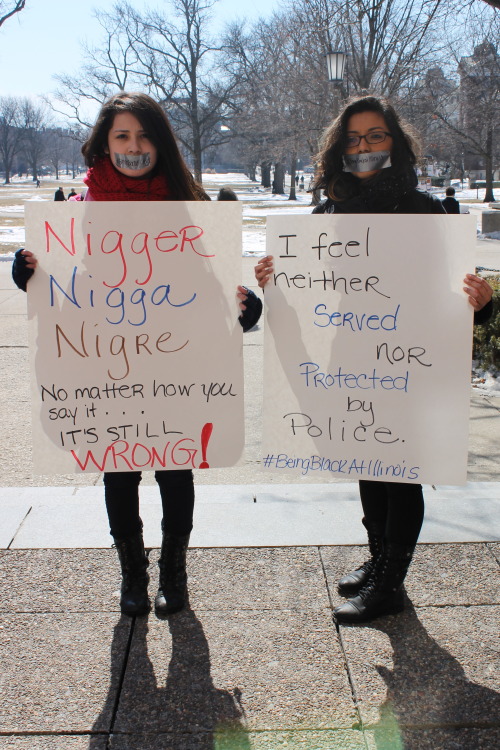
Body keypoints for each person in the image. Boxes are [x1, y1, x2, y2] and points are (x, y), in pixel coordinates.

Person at [12, 92, 261, 620]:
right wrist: (28, 273)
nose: (133, 147)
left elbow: (218, 295)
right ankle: (132, 572)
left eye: (144, 136)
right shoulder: (74, 214)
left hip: (175, 369)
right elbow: (59, 294)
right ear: (104, 143)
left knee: (175, 472)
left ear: (161, 142)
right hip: (104, 366)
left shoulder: (190, 207)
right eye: (122, 136)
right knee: (118, 473)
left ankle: (174, 573)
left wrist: (246, 309)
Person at [254, 95, 493, 624]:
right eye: (354, 138)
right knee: (367, 459)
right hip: (350, 355)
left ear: (395, 142)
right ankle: (379, 559)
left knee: (402, 470)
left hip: (407, 361)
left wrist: (482, 300)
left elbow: (457, 301)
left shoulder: (429, 210)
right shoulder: (328, 212)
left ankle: (390, 583)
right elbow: (308, 291)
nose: (364, 147)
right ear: (340, 148)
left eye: (376, 136)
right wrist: (275, 280)